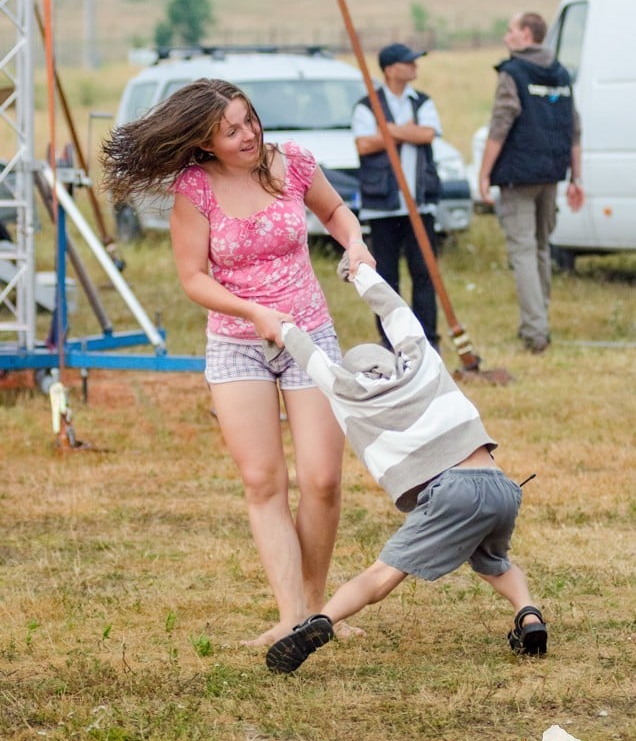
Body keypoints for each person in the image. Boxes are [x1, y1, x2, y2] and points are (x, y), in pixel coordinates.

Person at [100, 78, 376, 647]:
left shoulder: (291, 163)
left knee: (323, 479)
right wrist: (253, 312)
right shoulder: (195, 189)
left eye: (248, 119)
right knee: (263, 481)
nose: (247, 133)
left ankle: (319, 611)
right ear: (204, 142)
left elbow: (336, 211)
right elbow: (193, 278)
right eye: (230, 130)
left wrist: (354, 243)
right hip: (237, 344)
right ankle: (290, 616)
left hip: (310, 336)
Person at [264, 258, 547, 674]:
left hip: (450, 492)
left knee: (380, 576)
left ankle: (318, 622)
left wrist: (283, 329)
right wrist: (359, 273)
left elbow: (313, 359)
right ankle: (529, 616)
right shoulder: (422, 364)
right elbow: (395, 310)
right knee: (495, 562)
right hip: (500, 486)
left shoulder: (350, 393)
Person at [478, 12, 585, 354]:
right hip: (551, 174)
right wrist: (576, 177)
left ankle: (535, 332)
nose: (506, 36)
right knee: (540, 247)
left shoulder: (513, 72)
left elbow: (501, 123)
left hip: (518, 175)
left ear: (526, 34)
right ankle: (540, 320)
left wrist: (483, 172)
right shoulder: (561, 73)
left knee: (523, 251)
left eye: (510, 30)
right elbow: (574, 128)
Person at [352, 42, 442, 349]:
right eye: (408, 62)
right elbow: (363, 144)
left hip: (420, 204)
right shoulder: (367, 105)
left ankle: (429, 339)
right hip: (383, 208)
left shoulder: (423, 101)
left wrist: (389, 131)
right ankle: (391, 341)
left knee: (425, 275)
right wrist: (406, 130)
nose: (415, 65)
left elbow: (427, 134)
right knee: (386, 281)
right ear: (391, 69)